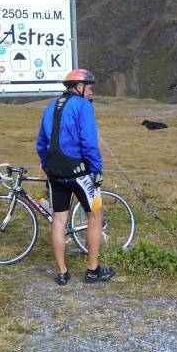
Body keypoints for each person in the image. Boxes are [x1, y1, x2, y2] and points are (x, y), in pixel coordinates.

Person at [36, 68, 115, 285]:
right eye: (89, 88)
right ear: (79, 87)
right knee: (95, 216)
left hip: (55, 172)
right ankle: (93, 270)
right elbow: (89, 141)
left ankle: (62, 273)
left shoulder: (50, 106)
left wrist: (47, 164)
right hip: (79, 173)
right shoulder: (83, 106)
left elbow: (41, 143)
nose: (91, 92)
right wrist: (96, 169)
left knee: (59, 220)